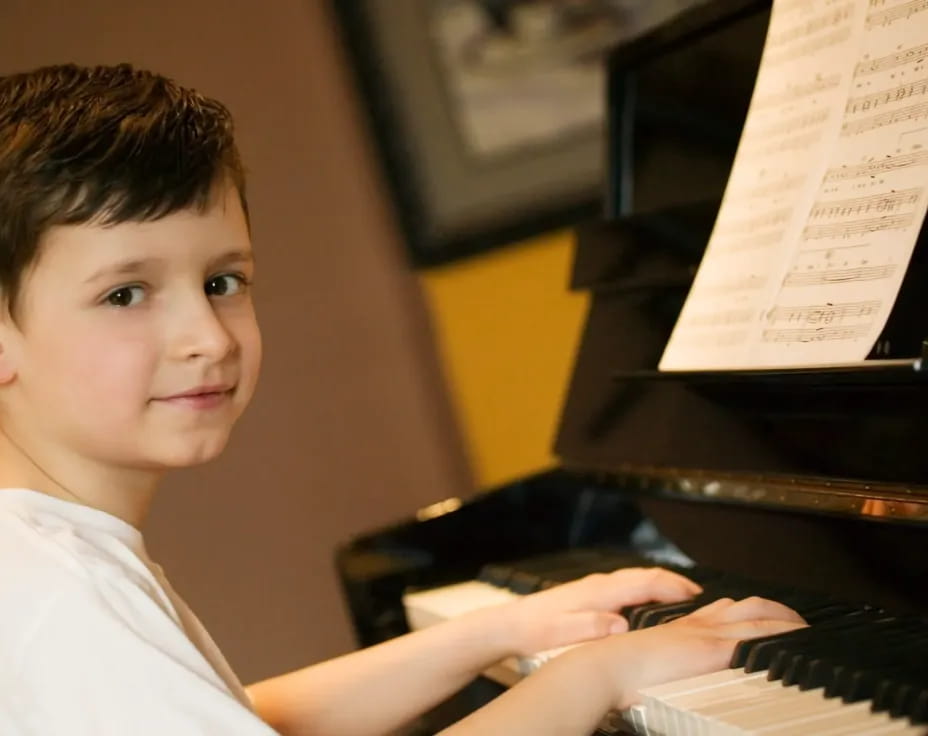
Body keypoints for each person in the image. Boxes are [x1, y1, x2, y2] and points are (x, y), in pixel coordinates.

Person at [0, 62, 804, 735]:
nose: (207, 336)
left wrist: (495, 631)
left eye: (222, 282)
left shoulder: (46, 555)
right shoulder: (57, 597)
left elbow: (248, 716)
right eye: (126, 294)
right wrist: (597, 675)